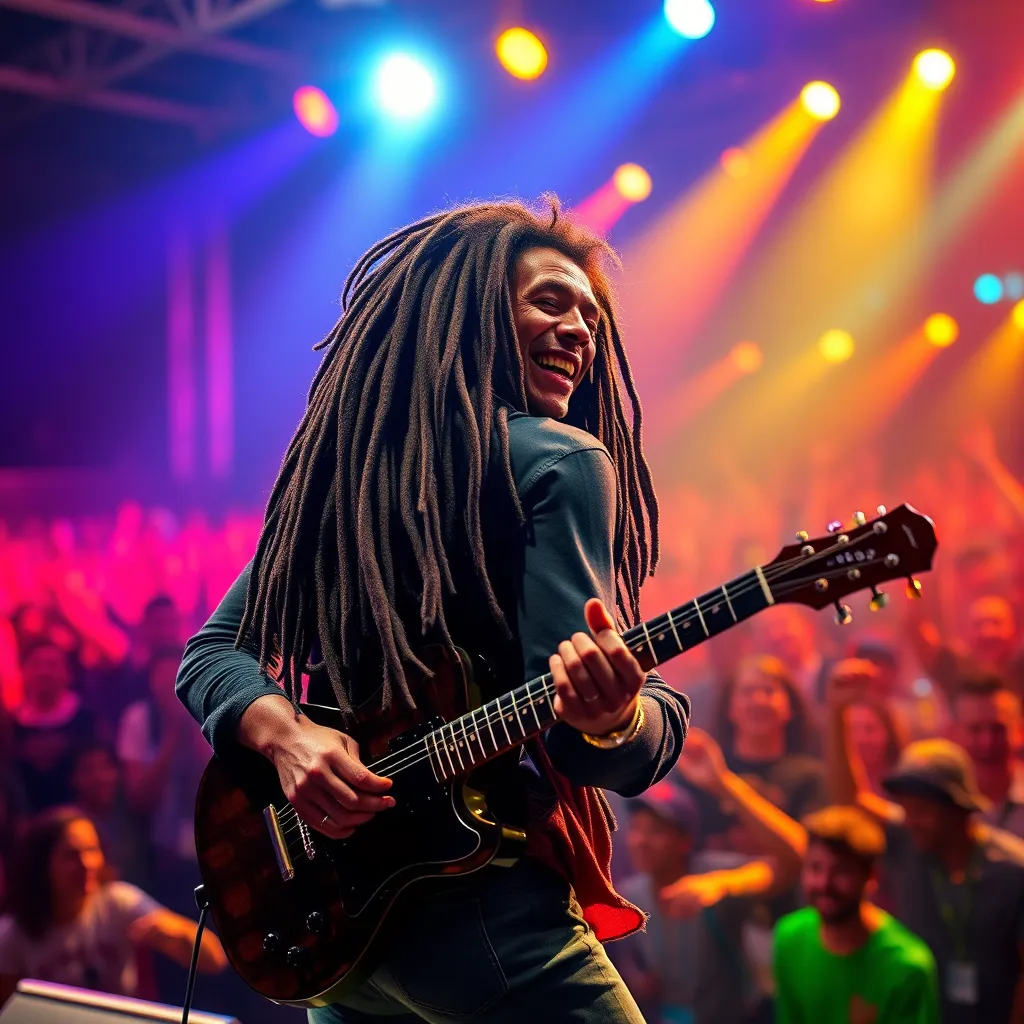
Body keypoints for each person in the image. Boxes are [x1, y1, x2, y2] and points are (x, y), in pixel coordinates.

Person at [176, 199, 690, 1023]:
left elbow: (212, 657)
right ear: (473, 312)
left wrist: (286, 738)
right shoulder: (562, 461)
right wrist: (626, 722)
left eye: (591, 319)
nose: (579, 332)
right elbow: (579, 745)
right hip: (484, 921)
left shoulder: (348, 478)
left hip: (346, 949)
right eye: (550, 302)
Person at [827, 697, 1024, 1024]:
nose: (910, 820)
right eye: (906, 809)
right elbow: (849, 802)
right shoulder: (909, 841)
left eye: (922, 811)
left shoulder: (1013, 870)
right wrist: (837, 714)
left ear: (958, 808)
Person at [616, 728, 804, 1024]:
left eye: (656, 831)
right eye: (636, 828)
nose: (641, 841)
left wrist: (723, 884)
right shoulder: (631, 893)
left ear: (684, 842)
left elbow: (793, 859)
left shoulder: (709, 872)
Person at [0, 807, 225, 1005]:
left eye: (92, 850)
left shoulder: (117, 902)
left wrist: (175, 934)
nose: (87, 863)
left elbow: (215, 959)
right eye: (71, 855)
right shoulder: (12, 933)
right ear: (41, 864)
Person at [773, 805, 939, 1024]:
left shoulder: (906, 965)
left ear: (871, 876)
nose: (824, 884)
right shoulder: (789, 937)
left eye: (840, 871)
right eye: (815, 868)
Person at [116, 646, 207, 910]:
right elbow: (139, 799)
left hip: (207, 837)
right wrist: (171, 738)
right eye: (163, 676)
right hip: (157, 851)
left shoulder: (208, 710)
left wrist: (193, 726)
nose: (171, 685)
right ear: (150, 682)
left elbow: (217, 775)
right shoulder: (138, 719)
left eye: (177, 674)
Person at [698, 655, 825, 843]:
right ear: (729, 708)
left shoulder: (811, 777)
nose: (758, 700)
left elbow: (809, 850)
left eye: (769, 691)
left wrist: (725, 785)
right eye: (747, 692)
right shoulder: (702, 772)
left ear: (790, 708)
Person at [11, 638, 96, 811]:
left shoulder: (88, 720)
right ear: (24, 671)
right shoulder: (9, 726)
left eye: (52, 665)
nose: (44, 672)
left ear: (68, 674)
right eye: (37, 664)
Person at [949, 674, 1024, 838]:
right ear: (953, 734)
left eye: (998, 729)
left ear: (1020, 731)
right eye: (975, 730)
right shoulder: (943, 804)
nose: (987, 742)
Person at [911, 592, 1024, 699]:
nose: (987, 632)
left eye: (996, 623)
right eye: (978, 624)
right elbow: (921, 637)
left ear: (1013, 628)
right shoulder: (957, 670)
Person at [68, 742, 149, 889]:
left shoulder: (133, 810)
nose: (98, 777)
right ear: (74, 778)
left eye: (105, 767)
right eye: (88, 770)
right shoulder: (70, 825)